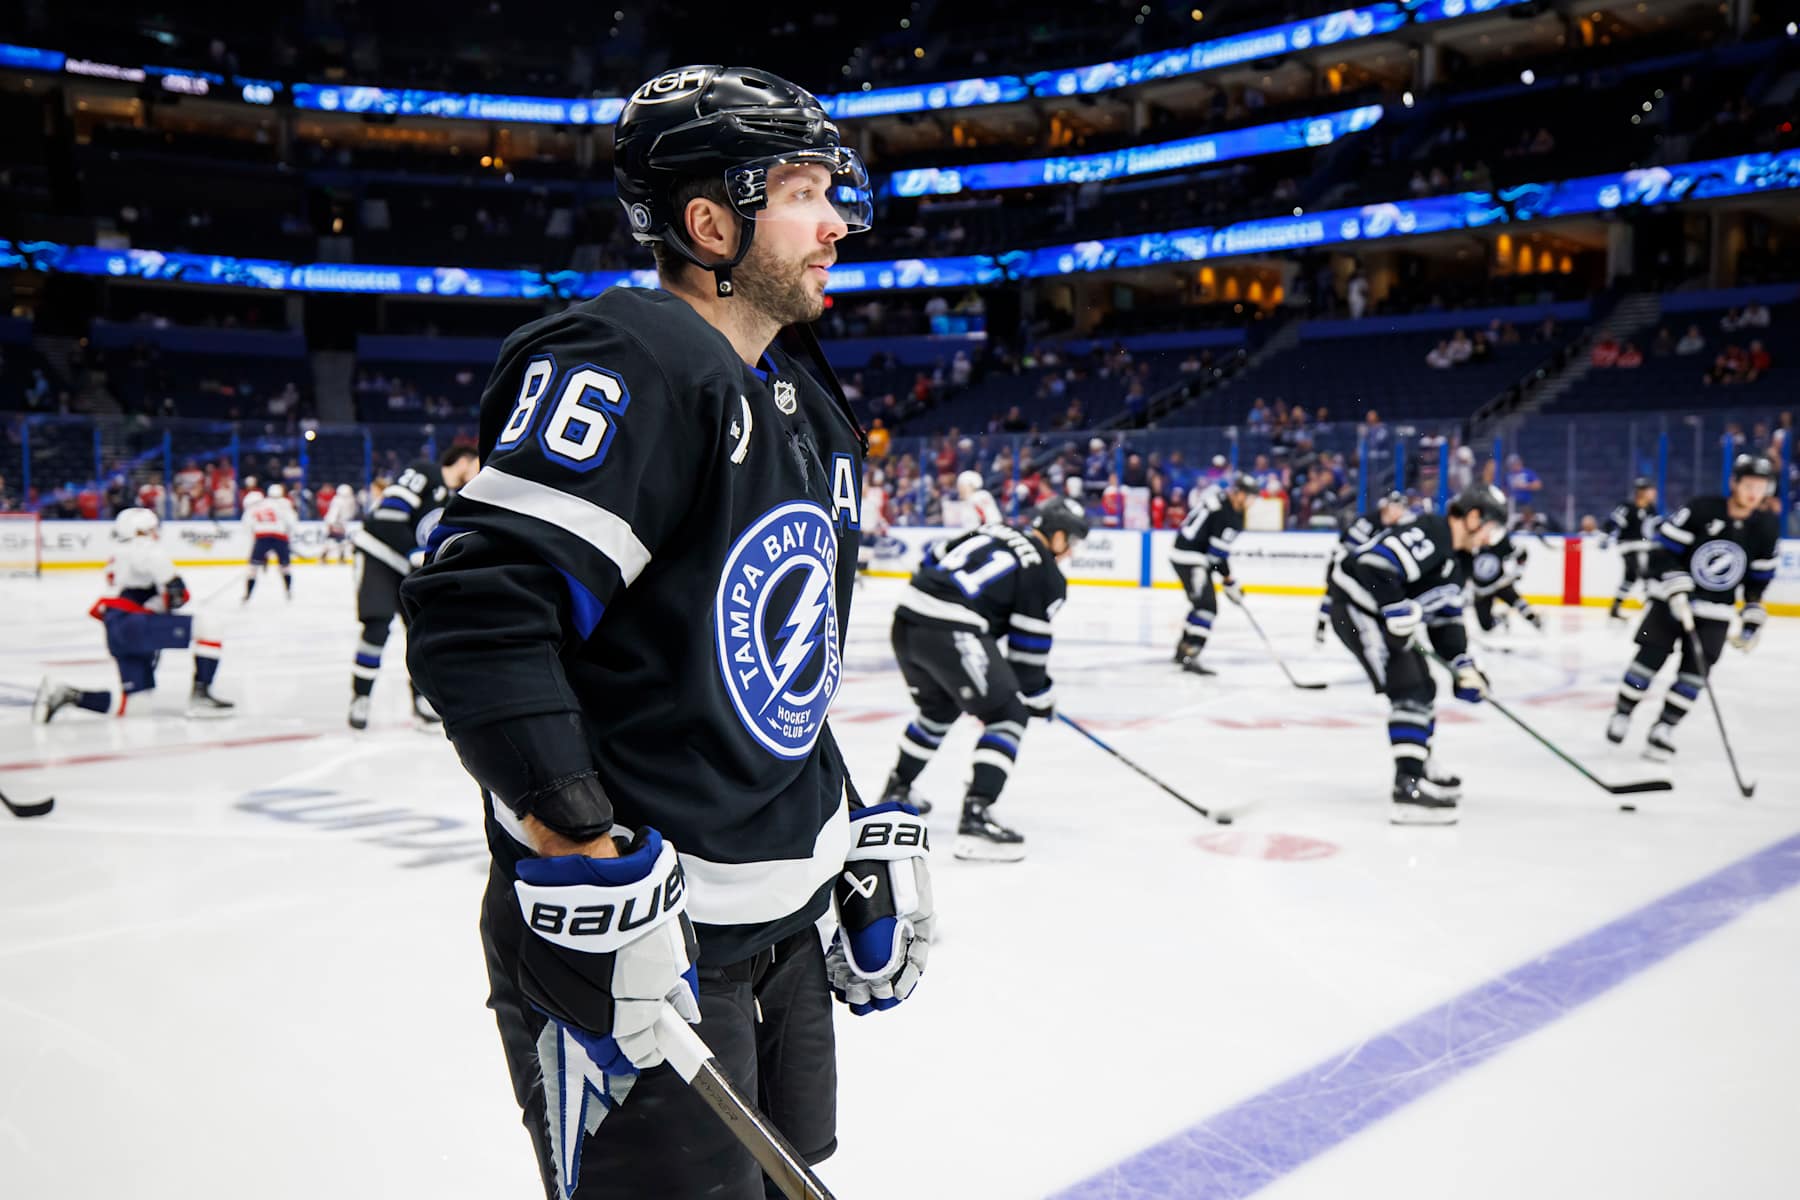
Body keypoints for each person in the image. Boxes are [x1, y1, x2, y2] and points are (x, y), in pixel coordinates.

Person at [397, 66, 928, 1200]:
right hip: (650, 936)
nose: (838, 221)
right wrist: (582, 848)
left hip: (776, 926)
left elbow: (773, 665)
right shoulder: (630, 355)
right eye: (803, 192)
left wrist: (840, 830)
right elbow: (479, 613)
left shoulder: (805, 397)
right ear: (709, 221)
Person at [879, 499, 1083, 860]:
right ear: (1059, 536)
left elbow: (931, 558)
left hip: (907, 619)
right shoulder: (1046, 572)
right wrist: (1040, 698)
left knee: (939, 709)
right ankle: (977, 816)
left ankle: (897, 789)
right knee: (1008, 715)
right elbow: (1027, 661)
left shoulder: (996, 529)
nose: (1070, 553)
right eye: (1073, 542)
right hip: (950, 628)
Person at [1327, 485, 1505, 824]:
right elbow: (1374, 564)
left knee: (1424, 685)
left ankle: (1418, 764)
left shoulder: (1460, 561)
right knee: (1408, 687)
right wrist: (1394, 607)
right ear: (1472, 517)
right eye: (1490, 527)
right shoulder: (1432, 532)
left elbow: (1446, 622)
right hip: (1356, 610)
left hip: (1382, 619)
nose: (1489, 539)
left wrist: (1463, 667)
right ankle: (1406, 786)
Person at [1606, 455, 1779, 761]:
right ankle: (1622, 713)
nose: (1754, 492)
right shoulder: (1701, 508)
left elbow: (1757, 580)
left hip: (1716, 613)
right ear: (1734, 484)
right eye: (1749, 484)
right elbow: (1662, 550)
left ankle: (1664, 728)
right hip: (1667, 602)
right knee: (1646, 659)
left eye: (1761, 486)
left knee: (1695, 673)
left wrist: (1752, 613)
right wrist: (1675, 583)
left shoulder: (1765, 527)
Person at [33, 508, 233, 722]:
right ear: (142, 531)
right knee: (209, 625)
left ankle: (69, 694)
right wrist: (169, 597)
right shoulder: (145, 548)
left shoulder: (119, 552)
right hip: (134, 624)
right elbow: (177, 595)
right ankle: (200, 696)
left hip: (117, 628)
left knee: (137, 706)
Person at [349, 445, 478, 730]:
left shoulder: (459, 499)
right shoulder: (425, 471)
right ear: (464, 461)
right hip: (380, 557)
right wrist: (411, 551)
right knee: (376, 626)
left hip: (412, 568)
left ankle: (422, 699)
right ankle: (361, 697)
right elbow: (389, 515)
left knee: (424, 632)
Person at [1169, 473, 1254, 675]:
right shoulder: (1230, 514)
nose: (1252, 501)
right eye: (1249, 495)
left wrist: (1227, 580)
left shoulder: (1221, 502)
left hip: (1183, 555)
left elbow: (1215, 556)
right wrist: (1229, 581)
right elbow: (1216, 556)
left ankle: (1183, 649)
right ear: (1238, 493)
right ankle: (1192, 652)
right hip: (1192, 559)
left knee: (1200, 604)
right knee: (1207, 606)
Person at [1315, 490, 1410, 644]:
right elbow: (1349, 548)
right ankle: (1321, 626)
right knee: (1331, 593)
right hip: (1342, 562)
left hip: (1362, 567)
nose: (1398, 512)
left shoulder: (1396, 527)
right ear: (1387, 506)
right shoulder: (1368, 522)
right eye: (1395, 507)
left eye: (1401, 508)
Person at [1603, 477, 1660, 620]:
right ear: (1641, 492)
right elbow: (1613, 523)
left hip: (1645, 546)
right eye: (1650, 490)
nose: (1654, 493)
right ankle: (1651, 606)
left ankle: (1616, 606)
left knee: (1631, 576)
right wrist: (1604, 535)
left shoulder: (1651, 510)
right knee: (1644, 572)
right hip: (1628, 546)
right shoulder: (1627, 507)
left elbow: (1659, 527)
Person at [1467, 527, 1541, 633]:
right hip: (1481, 590)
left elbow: (1522, 554)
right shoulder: (1469, 545)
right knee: (1486, 626)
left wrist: (1518, 572)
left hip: (1499, 584)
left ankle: (1534, 619)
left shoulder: (1500, 544)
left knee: (1519, 603)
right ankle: (1502, 619)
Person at [241, 481, 299, 602]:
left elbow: (247, 522)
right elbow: (292, 522)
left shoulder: (259, 503)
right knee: (285, 567)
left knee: (253, 568)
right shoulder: (285, 503)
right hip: (280, 537)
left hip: (262, 537)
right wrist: (289, 537)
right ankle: (288, 591)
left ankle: (247, 594)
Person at [322, 481, 358, 564]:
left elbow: (351, 513)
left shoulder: (350, 500)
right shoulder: (338, 500)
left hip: (341, 523)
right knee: (332, 540)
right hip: (335, 523)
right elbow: (333, 513)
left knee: (341, 540)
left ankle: (340, 556)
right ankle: (324, 555)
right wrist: (331, 524)